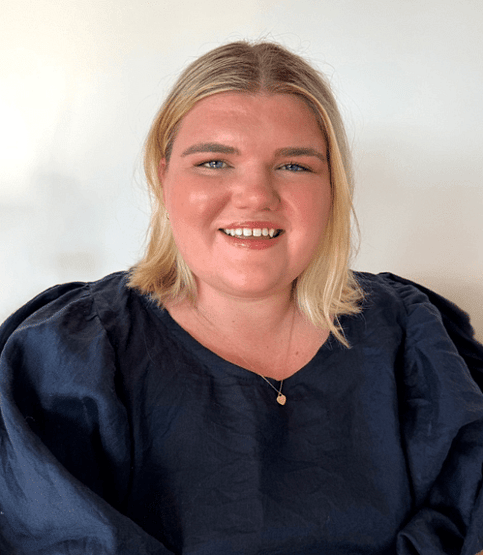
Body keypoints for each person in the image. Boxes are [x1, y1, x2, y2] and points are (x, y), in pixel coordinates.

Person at [0, 41, 482, 555]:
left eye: (294, 166)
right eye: (214, 162)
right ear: (163, 177)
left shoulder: (412, 335)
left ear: (333, 186)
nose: (255, 195)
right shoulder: (70, 355)